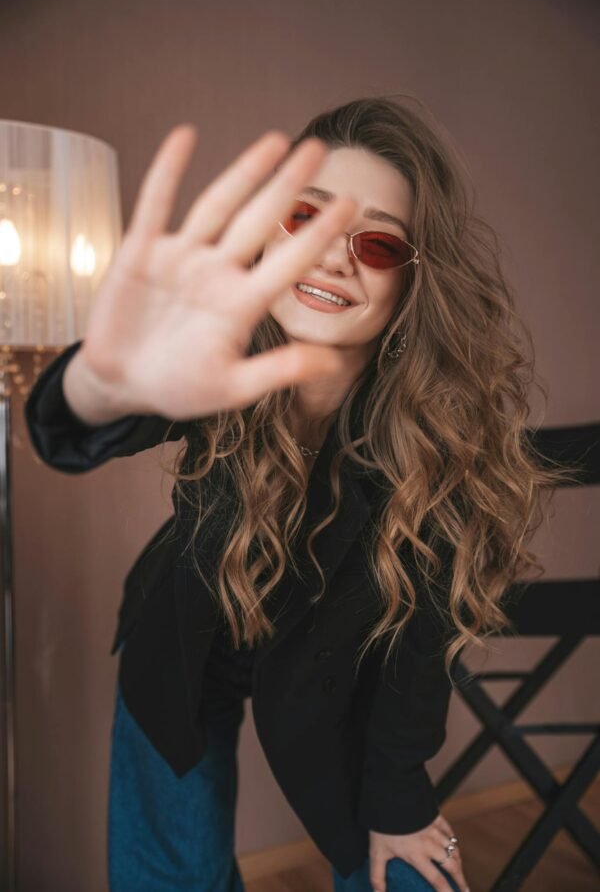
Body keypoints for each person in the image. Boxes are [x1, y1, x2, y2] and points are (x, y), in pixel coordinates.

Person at [25, 96, 573, 892]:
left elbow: (424, 641)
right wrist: (99, 385)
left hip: (333, 680)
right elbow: (75, 427)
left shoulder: (443, 437)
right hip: (183, 638)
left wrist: (398, 793)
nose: (332, 257)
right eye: (304, 220)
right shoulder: (215, 349)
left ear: (416, 281)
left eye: (377, 241)